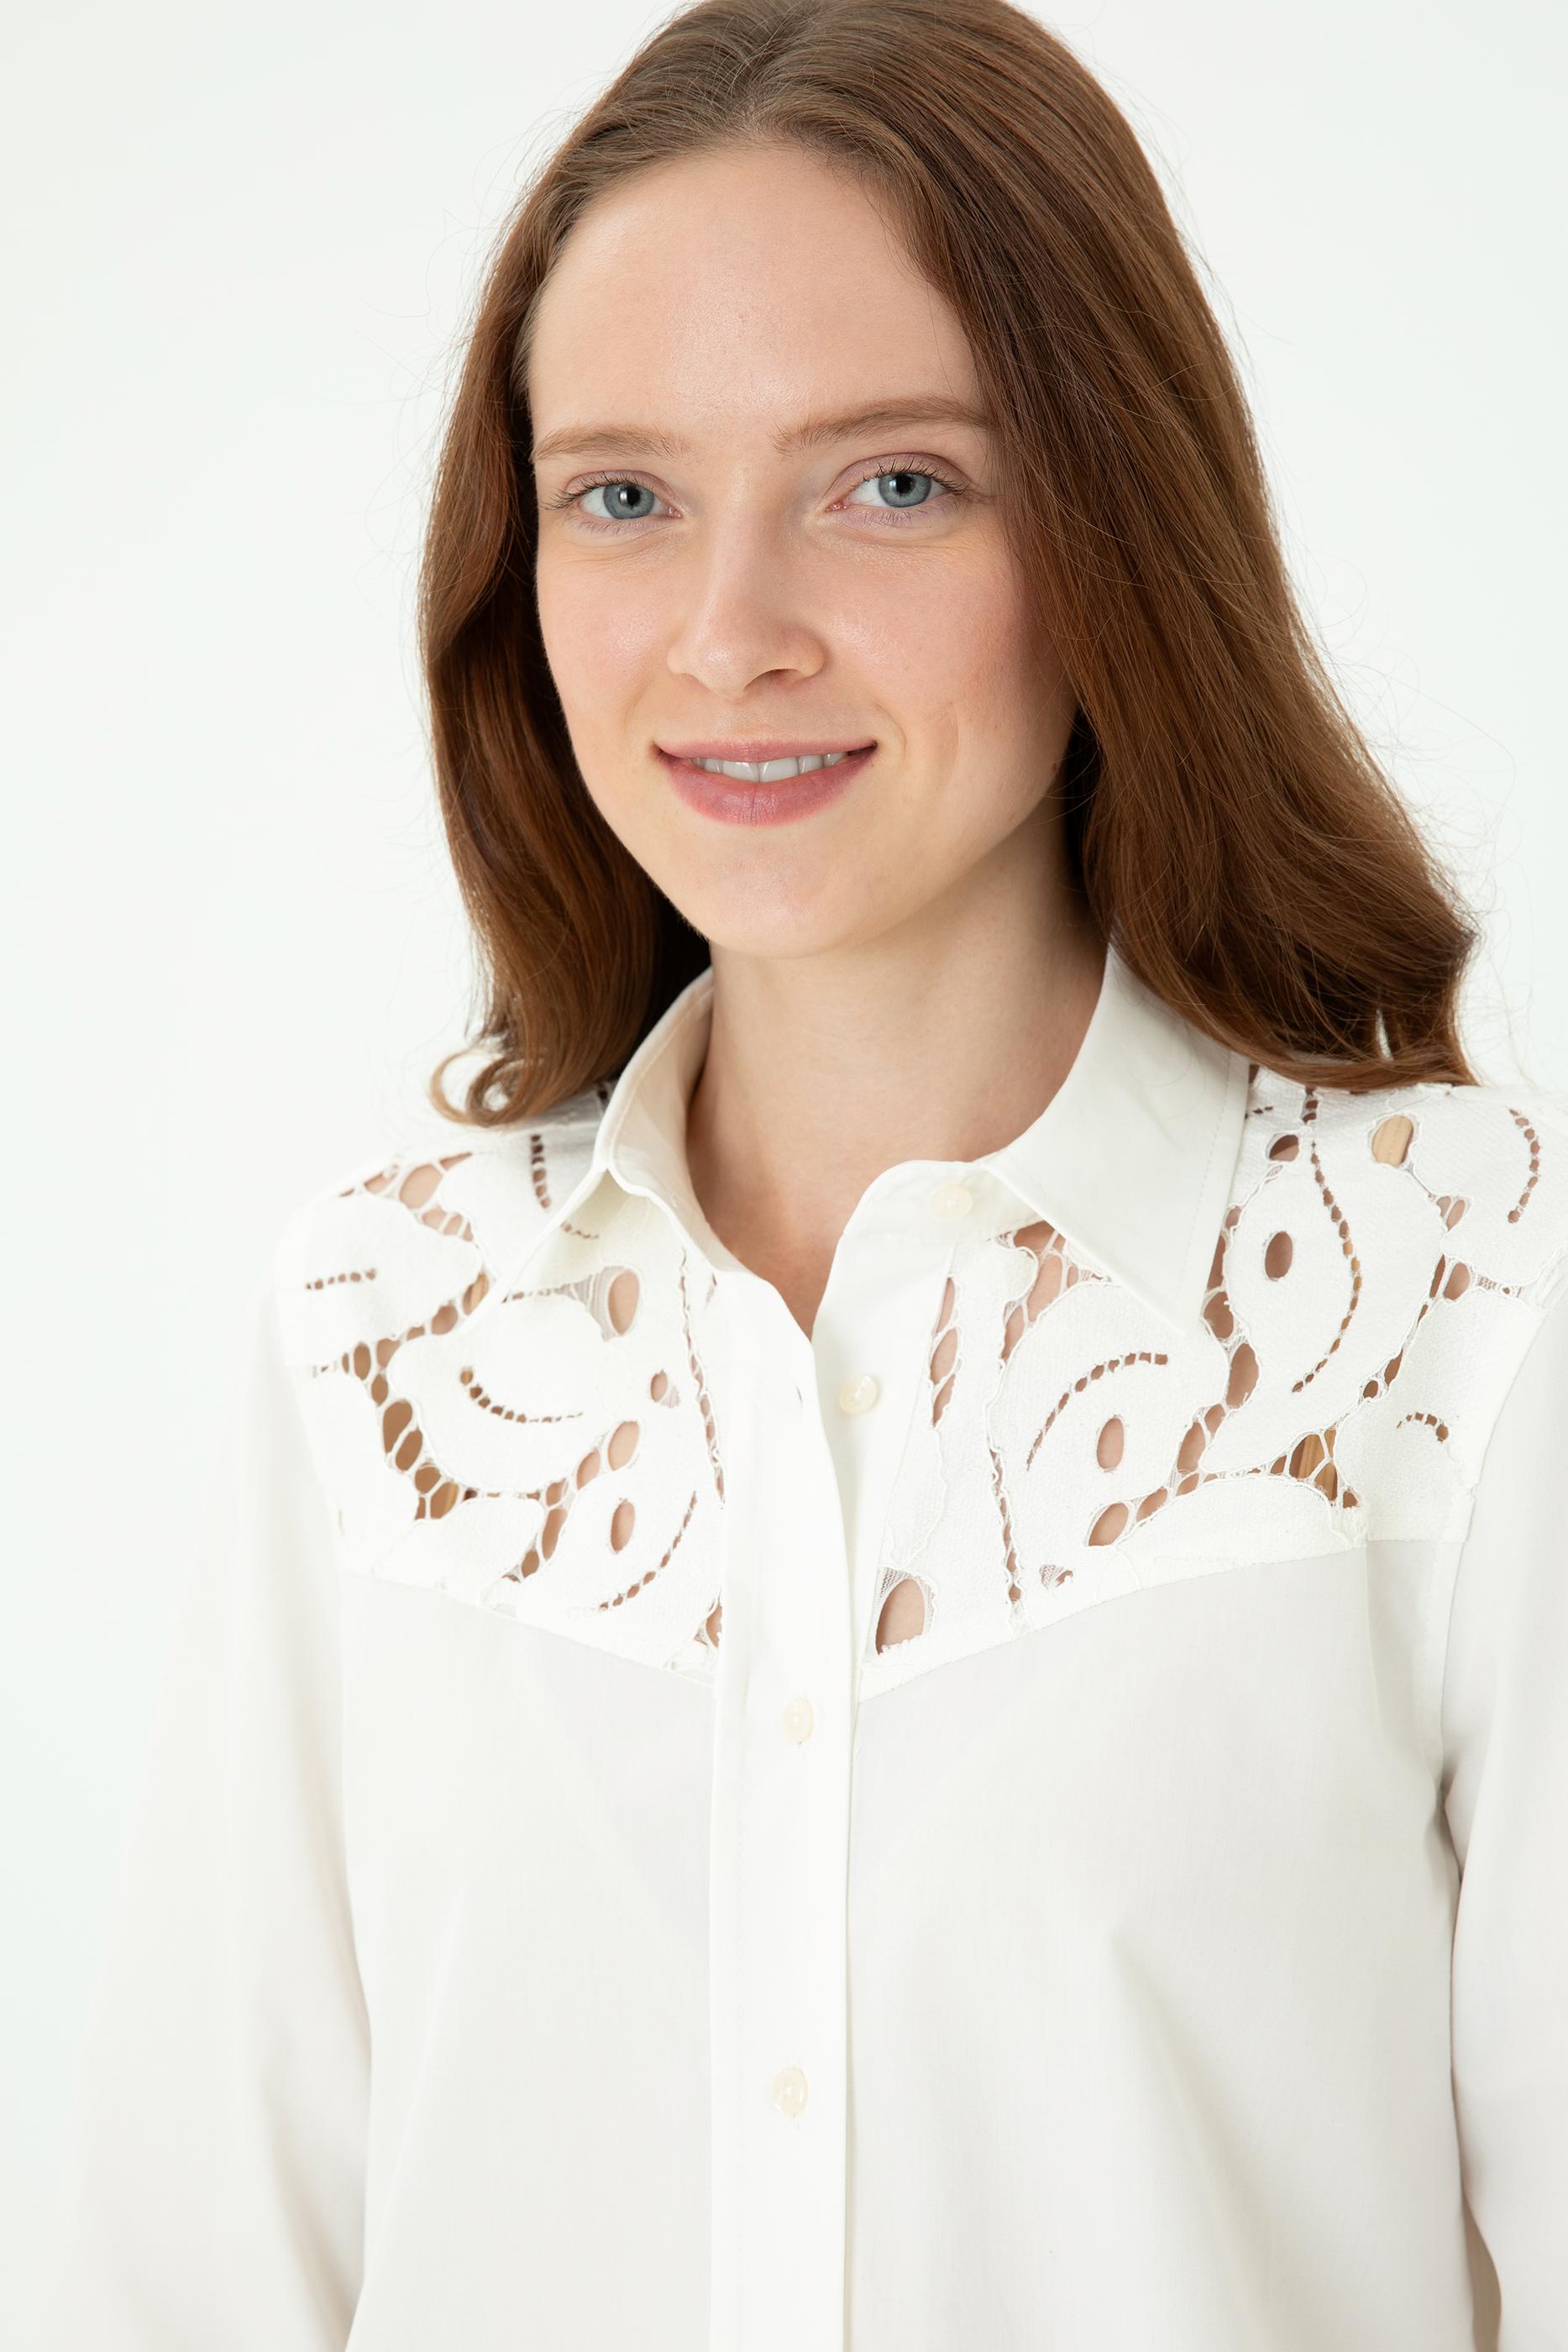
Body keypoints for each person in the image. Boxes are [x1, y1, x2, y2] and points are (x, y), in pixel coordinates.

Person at [39, 2, 1568, 2346]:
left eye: (893, 485)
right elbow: (192, 2278)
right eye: (622, 497)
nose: (729, 635)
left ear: (1110, 521)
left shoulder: (1464, 1303)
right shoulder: (383, 1341)